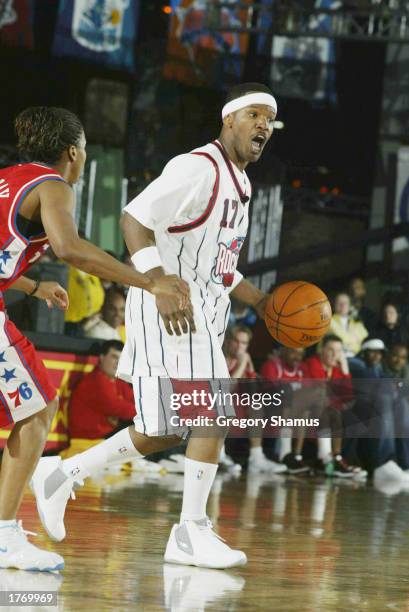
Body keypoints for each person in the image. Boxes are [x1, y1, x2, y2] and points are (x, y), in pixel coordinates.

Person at [31, 83, 278, 569]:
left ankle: (61, 474)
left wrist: (265, 302)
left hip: (202, 310)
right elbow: (133, 218)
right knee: (214, 410)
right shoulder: (197, 168)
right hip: (169, 305)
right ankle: (191, 531)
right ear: (229, 119)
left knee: (163, 430)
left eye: (269, 120)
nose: (264, 126)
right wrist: (158, 279)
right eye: (254, 114)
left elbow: (221, 268)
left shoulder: (242, 184)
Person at [0, 106, 189, 572]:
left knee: (34, 407)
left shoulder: (8, 178)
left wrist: (30, 285)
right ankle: (4, 536)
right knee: (40, 407)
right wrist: (149, 281)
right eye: (84, 149)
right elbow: (69, 248)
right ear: (73, 152)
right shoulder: (53, 185)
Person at [224, 324, 285, 474]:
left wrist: (250, 371)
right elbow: (225, 390)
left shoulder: (244, 361)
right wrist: (242, 364)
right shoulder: (219, 358)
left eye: (244, 343)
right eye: (236, 341)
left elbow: (253, 392)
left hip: (238, 408)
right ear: (228, 342)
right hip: (214, 407)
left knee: (256, 404)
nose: (240, 346)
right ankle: (218, 457)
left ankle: (256, 458)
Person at [302, 334, 365, 477]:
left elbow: (348, 397)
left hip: (330, 415)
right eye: (330, 350)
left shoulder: (337, 370)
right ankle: (327, 458)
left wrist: (345, 370)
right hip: (307, 413)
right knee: (327, 405)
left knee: (349, 414)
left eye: (338, 351)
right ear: (321, 350)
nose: (334, 354)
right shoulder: (313, 363)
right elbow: (320, 390)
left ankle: (337, 459)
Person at [68, 340, 134, 439]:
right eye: (114, 357)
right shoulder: (94, 381)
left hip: (105, 439)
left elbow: (137, 400)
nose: (118, 363)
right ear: (102, 358)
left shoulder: (118, 382)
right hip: (88, 441)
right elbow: (119, 407)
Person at [260, 346, 310, 474]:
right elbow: (268, 395)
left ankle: (297, 456)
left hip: (290, 415)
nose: (297, 357)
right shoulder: (272, 365)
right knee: (287, 394)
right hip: (269, 412)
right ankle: (284, 453)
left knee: (305, 409)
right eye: (294, 352)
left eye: (300, 353)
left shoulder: (301, 369)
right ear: (283, 351)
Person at [328, 292, 368, 357]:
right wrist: (354, 342)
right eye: (339, 303)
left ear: (350, 306)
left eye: (345, 303)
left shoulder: (357, 323)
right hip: (336, 356)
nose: (342, 305)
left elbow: (364, 341)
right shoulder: (328, 322)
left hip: (357, 356)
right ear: (334, 305)